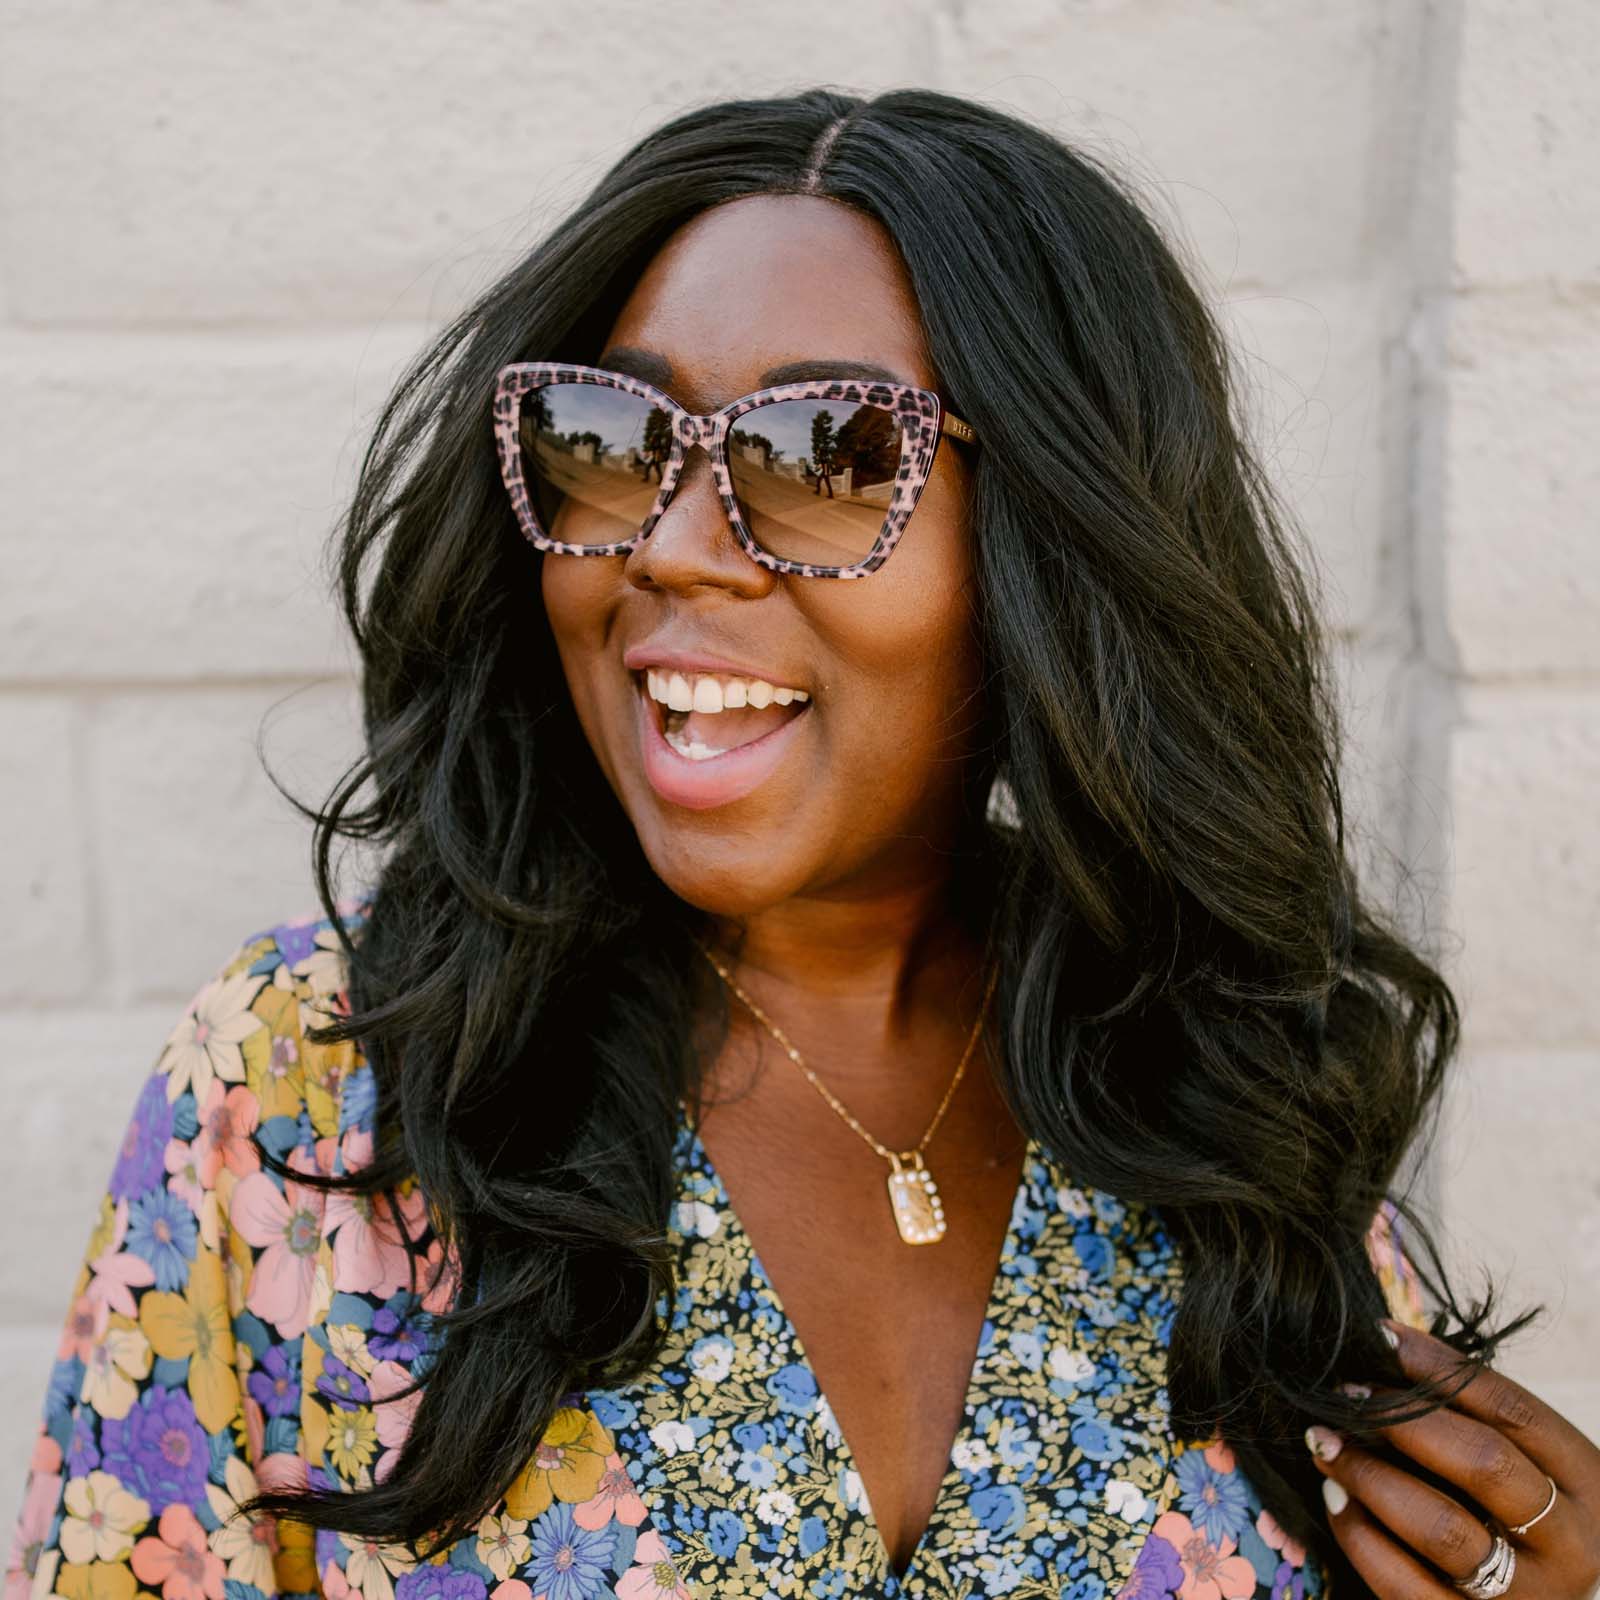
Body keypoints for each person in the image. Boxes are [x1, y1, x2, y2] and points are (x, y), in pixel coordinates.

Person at [8, 87, 1598, 1600]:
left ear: (1051, 534)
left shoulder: (1216, 1095)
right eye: (607, 439)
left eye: (826, 458)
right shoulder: (318, 1091)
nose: (674, 549)